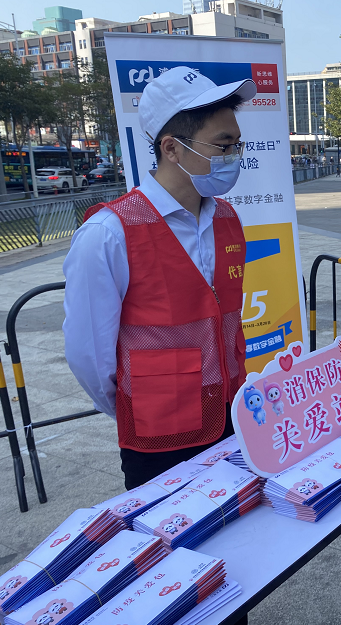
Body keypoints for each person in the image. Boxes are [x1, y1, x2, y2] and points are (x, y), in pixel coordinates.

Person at [63, 67, 253, 496]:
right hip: (159, 442)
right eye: (223, 145)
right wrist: (138, 406)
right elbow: (88, 355)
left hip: (231, 417)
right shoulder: (109, 233)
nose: (234, 155)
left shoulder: (227, 219)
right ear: (172, 148)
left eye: (237, 144)